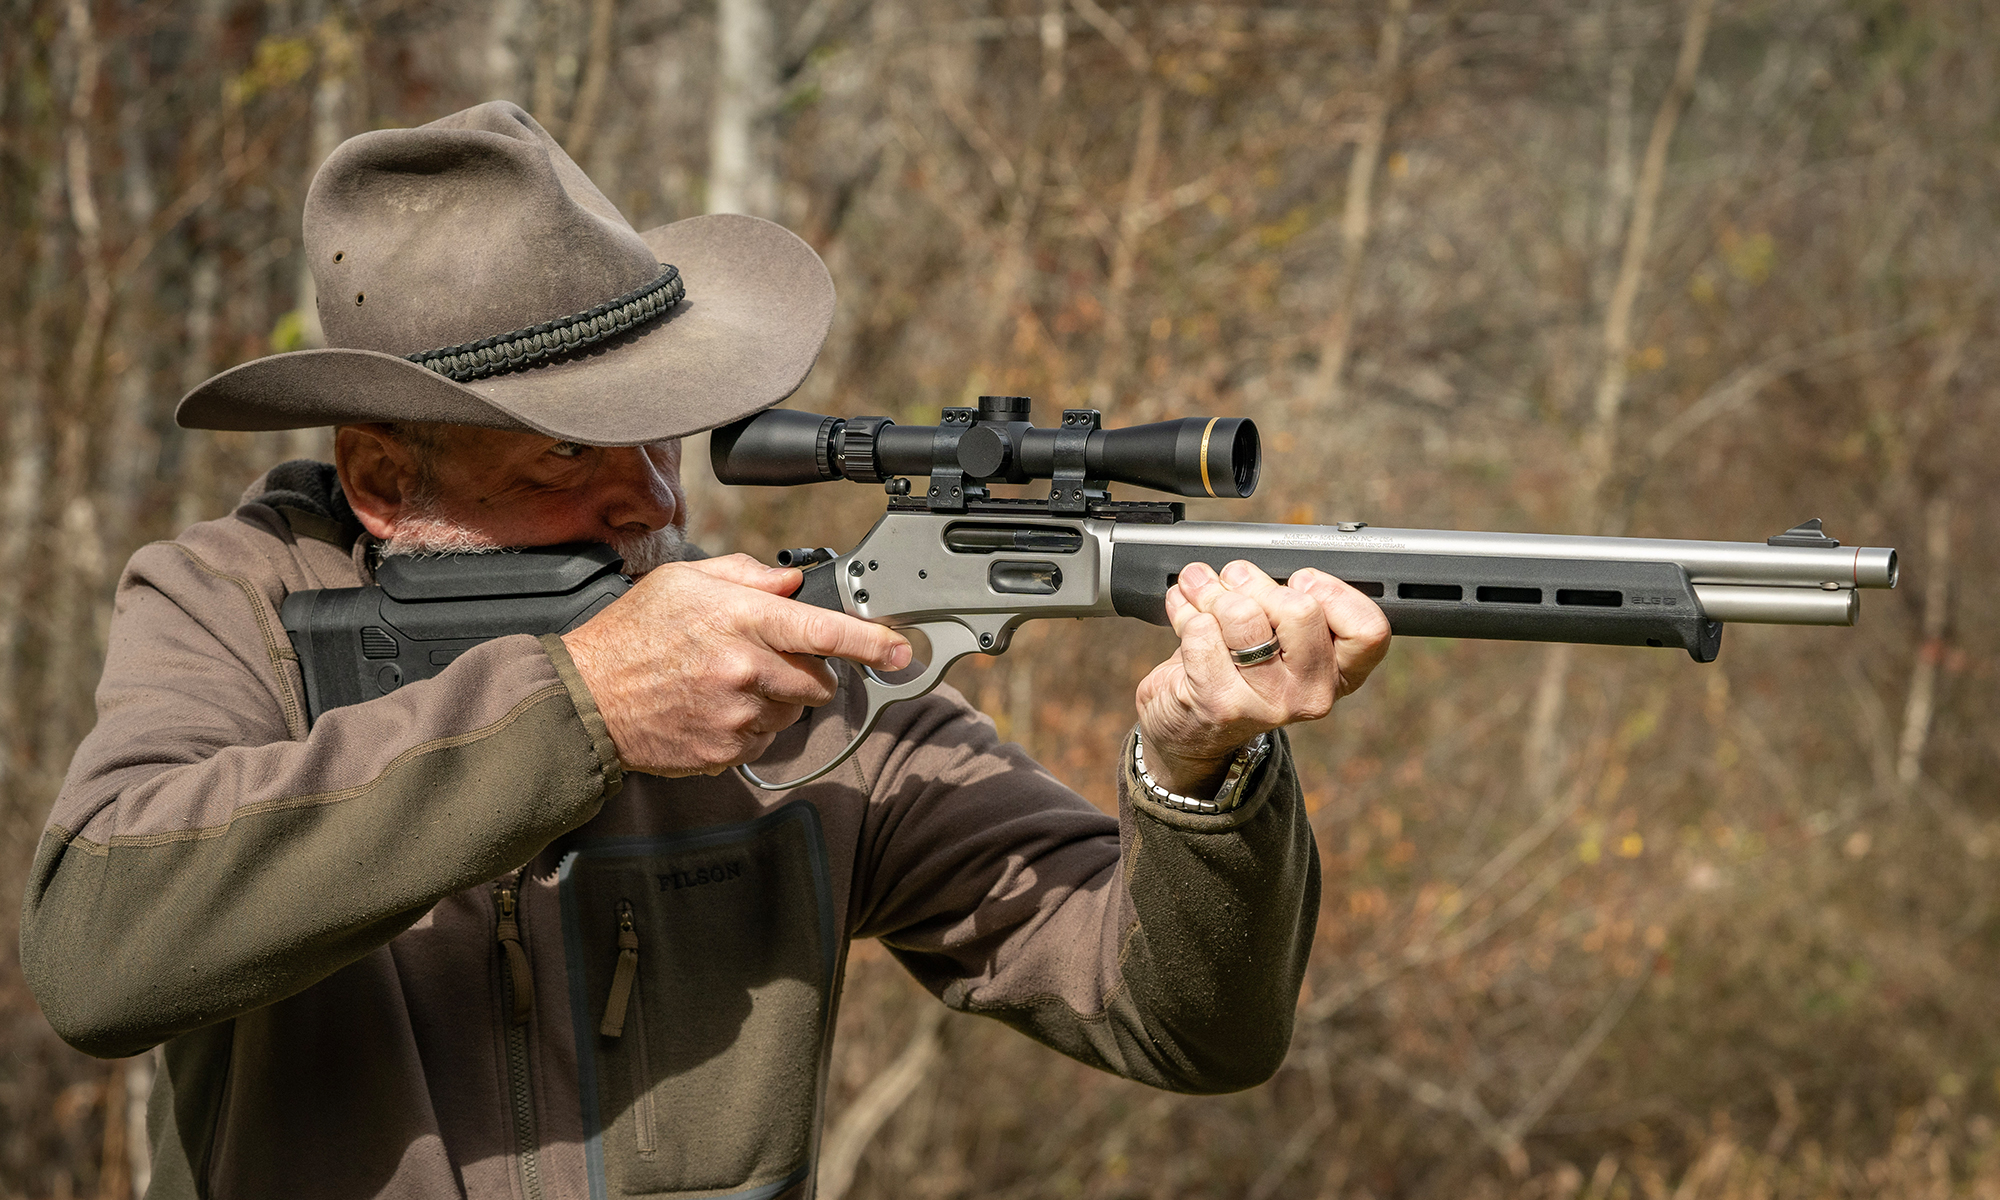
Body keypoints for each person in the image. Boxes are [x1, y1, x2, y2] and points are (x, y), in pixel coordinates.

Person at [21, 102, 1389, 1200]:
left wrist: (1197, 774)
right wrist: (583, 713)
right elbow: (95, 955)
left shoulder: (790, 660)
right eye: (574, 452)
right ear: (383, 480)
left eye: (661, 436)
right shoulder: (232, 608)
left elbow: (1183, 1025)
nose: (656, 504)